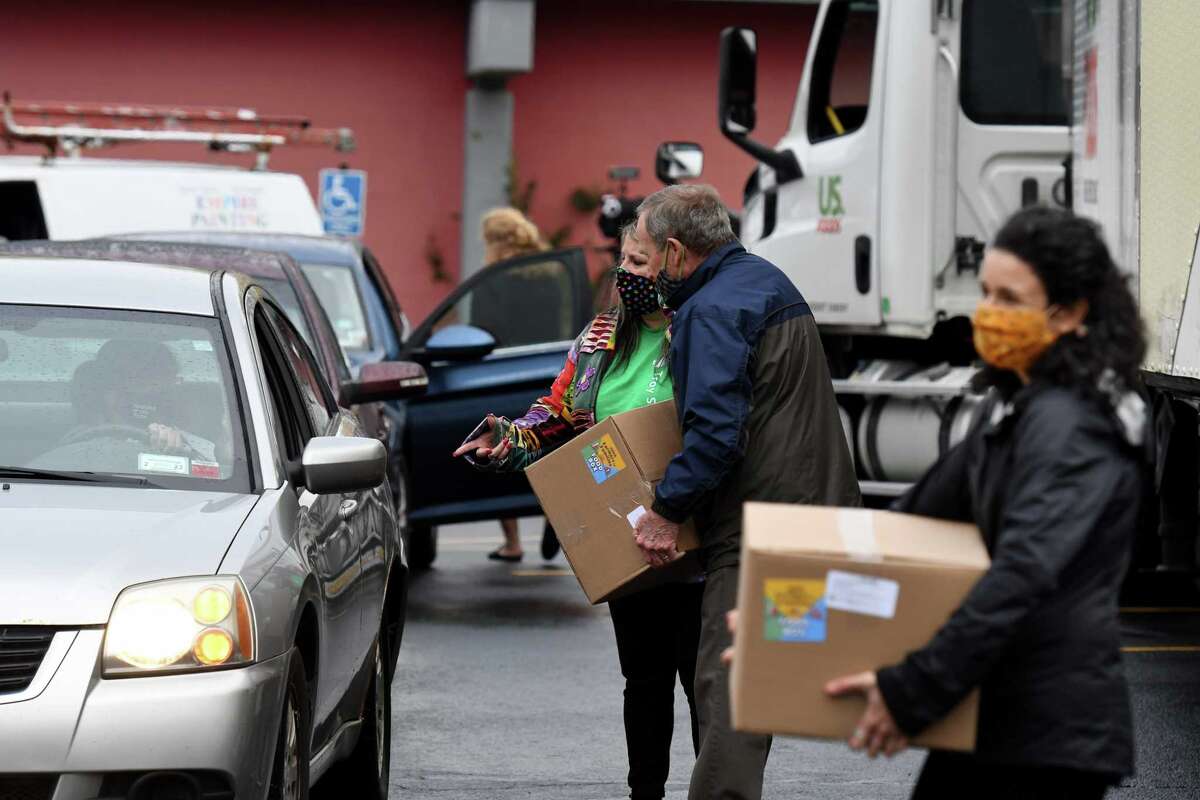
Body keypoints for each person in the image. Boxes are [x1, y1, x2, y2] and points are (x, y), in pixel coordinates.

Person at [824, 207, 1147, 798]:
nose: (989, 313)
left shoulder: (1075, 426)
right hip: (996, 717)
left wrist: (910, 691)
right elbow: (912, 523)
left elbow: (1021, 576)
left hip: (1049, 737)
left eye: (1010, 298)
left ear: (1071, 313)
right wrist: (799, 608)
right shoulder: (1016, 408)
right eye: (986, 293)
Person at [454, 224, 703, 800]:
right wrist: (507, 439)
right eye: (621, 260)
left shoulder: (699, 333)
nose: (626, 275)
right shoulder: (598, 340)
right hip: (628, 544)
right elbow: (558, 413)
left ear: (672, 262)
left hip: (698, 543)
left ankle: (713, 790)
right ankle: (646, 793)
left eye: (638, 262)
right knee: (643, 681)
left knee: (702, 685)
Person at [628, 184, 861, 800]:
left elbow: (715, 435)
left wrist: (664, 511)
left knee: (729, 687)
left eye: (645, 259)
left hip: (763, 531)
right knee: (755, 686)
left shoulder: (711, 311)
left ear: (677, 253)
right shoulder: (765, 281)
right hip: (810, 519)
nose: (643, 275)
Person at [476, 206, 561, 562]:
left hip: (505, 373)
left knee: (501, 449)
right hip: (549, 369)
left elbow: (482, 330)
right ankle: (554, 513)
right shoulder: (555, 273)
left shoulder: (493, 279)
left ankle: (512, 542)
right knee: (549, 445)